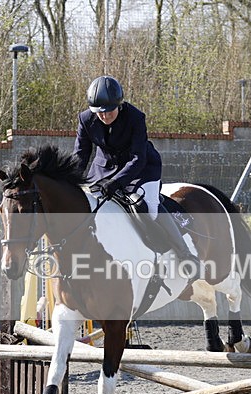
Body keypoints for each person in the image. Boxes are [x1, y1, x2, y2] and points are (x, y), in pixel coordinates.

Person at [73, 75, 200, 282]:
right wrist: (73, 181)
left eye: (109, 111)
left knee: (148, 207)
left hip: (140, 170)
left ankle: (185, 254)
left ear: (119, 105)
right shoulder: (86, 119)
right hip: (102, 171)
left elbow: (137, 158)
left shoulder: (135, 117)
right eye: (99, 113)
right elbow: (80, 155)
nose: (104, 116)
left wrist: (115, 183)